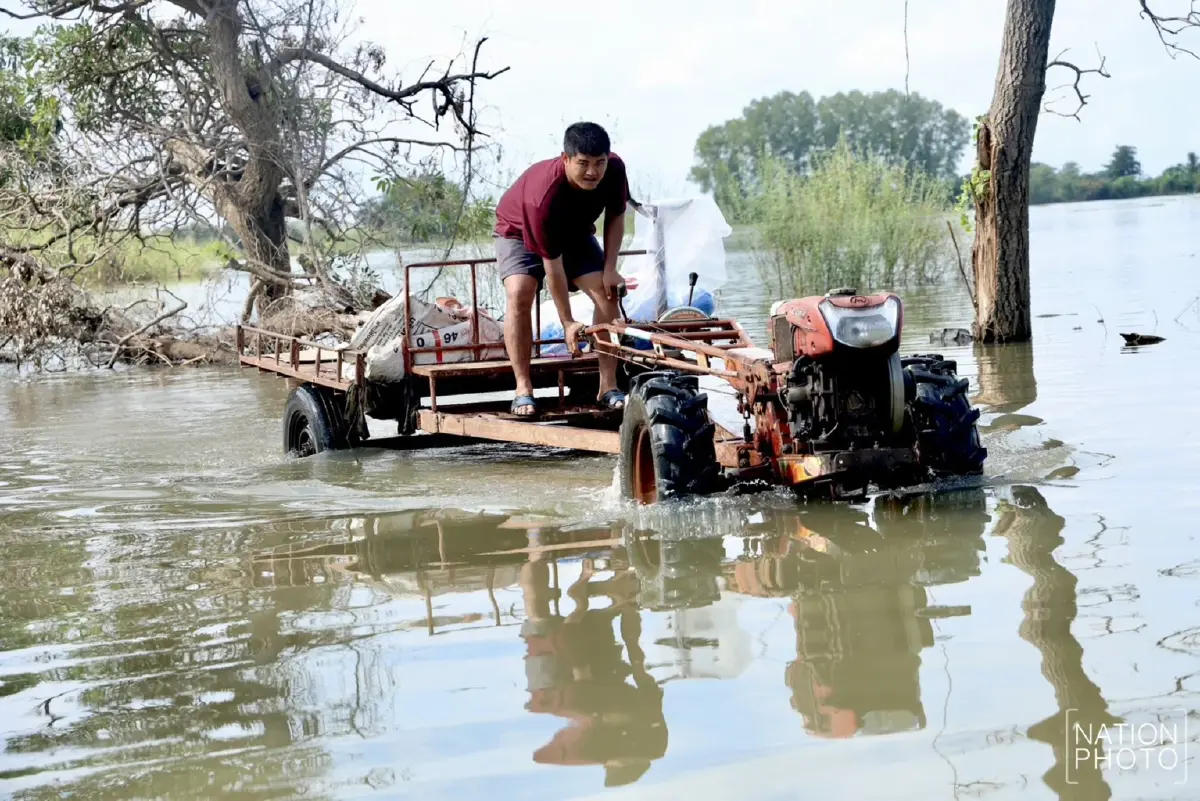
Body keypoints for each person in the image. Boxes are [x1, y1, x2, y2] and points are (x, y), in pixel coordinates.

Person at [493, 122, 630, 416]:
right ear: (565, 158)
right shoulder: (542, 197)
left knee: (607, 293)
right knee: (519, 292)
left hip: (576, 232)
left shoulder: (616, 169)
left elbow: (617, 215)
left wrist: (610, 268)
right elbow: (553, 267)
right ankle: (523, 388)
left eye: (599, 163)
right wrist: (567, 321)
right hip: (518, 232)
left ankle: (608, 385)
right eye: (583, 163)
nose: (592, 172)